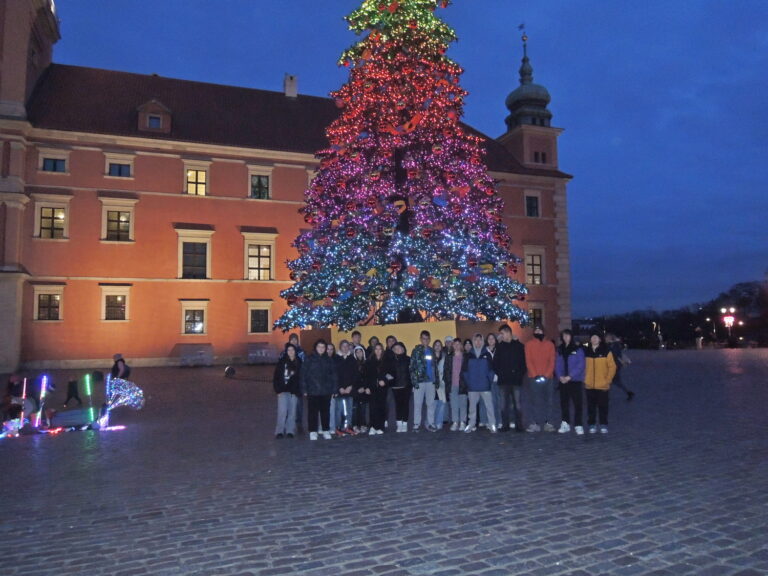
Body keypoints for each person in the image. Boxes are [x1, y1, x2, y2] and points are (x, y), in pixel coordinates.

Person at [300, 339, 337, 440]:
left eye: (323, 347)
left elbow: (333, 376)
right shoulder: (309, 359)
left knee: (325, 412)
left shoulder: (329, 360)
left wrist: (334, 389)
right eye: (319, 347)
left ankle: (326, 430)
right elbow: (303, 375)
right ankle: (313, 431)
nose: (321, 349)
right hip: (312, 390)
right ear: (315, 348)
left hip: (326, 391)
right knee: (312, 412)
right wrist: (304, 389)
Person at [493, 324, 527, 432]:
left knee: (517, 404)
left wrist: (519, 375)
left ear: (508, 333)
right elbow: (495, 363)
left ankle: (519, 425)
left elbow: (523, 363)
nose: (501, 336)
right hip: (503, 381)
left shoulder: (519, 346)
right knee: (503, 405)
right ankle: (505, 425)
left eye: (502, 333)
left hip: (516, 380)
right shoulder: (499, 346)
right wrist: (500, 373)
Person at [524, 325, 556, 432]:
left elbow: (552, 361)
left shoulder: (550, 344)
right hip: (534, 378)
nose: (538, 331)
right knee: (534, 401)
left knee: (549, 401)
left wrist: (546, 375)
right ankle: (535, 423)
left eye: (540, 330)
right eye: (536, 330)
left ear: (543, 331)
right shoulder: (529, 345)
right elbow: (528, 361)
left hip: (548, 378)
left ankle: (548, 422)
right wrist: (535, 375)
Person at [462, 333, 497, 433]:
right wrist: (469, 383)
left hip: (485, 386)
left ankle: (492, 424)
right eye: (476, 340)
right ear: (473, 341)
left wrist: (488, 381)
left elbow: (491, 370)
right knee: (472, 408)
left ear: (482, 341)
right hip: (472, 387)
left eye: (480, 340)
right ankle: (471, 424)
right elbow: (465, 371)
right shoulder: (469, 355)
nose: (478, 342)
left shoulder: (487, 354)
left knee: (489, 407)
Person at [554, 329, 586, 435]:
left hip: (575, 380)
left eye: (567, 335)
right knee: (564, 403)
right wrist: (560, 376)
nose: (565, 337)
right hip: (563, 381)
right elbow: (557, 364)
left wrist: (570, 376)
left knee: (577, 403)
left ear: (571, 336)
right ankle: (565, 423)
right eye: (564, 336)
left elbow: (580, 365)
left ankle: (578, 424)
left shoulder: (577, 349)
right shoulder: (560, 349)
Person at [584, 332, 617, 433]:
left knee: (603, 406)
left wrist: (607, 380)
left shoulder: (606, 351)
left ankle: (603, 424)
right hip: (589, 385)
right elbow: (582, 366)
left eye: (596, 337)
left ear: (600, 339)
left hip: (602, 385)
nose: (594, 339)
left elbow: (612, 367)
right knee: (591, 406)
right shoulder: (586, 351)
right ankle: (592, 424)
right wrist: (584, 378)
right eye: (592, 337)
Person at [409, 330, 437, 432]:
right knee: (418, 403)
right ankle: (416, 424)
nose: (425, 340)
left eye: (427, 338)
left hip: (430, 382)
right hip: (419, 382)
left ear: (429, 340)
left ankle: (431, 423)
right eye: (423, 338)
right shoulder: (416, 351)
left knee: (430, 404)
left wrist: (436, 380)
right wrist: (414, 381)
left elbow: (434, 367)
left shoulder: (432, 351)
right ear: (420, 339)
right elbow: (412, 367)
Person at [273, 343, 301, 438]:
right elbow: (276, 376)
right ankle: (279, 431)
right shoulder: (282, 362)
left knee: (292, 412)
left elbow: (300, 377)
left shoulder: (299, 362)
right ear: (286, 351)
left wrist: (298, 390)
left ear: (295, 351)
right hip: (282, 390)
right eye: (289, 350)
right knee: (282, 411)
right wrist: (278, 390)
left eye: (292, 350)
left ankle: (290, 430)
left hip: (294, 391)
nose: (291, 352)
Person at [364, 343, 390, 435]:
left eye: (380, 349)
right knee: (372, 408)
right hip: (372, 388)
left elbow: (391, 374)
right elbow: (365, 376)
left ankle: (380, 427)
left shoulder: (386, 361)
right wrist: (366, 387)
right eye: (376, 349)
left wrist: (385, 381)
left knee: (381, 408)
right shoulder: (369, 361)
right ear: (373, 350)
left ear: (382, 350)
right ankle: (372, 427)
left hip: (383, 388)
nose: (378, 351)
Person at [334, 340, 357, 436]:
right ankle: (338, 427)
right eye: (343, 346)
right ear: (340, 347)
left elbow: (355, 374)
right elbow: (334, 375)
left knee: (349, 409)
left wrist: (351, 386)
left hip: (349, 389)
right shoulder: (335, 359)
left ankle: (348, 427)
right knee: (339, 409)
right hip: (339, 389)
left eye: (347, 346)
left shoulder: (352, 359)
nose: (345, 348)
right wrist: (339, 388)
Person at [445, 338, 467, 430]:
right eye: (455, 344)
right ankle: (455, 422)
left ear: (461, 345)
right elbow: (446, 371)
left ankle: (462, 422)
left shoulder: (465, 357)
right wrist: (448, 383)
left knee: (463, 404)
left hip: (463, 384)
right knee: (454, 404)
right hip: (452, 384)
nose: (457, 345)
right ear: (452, 345)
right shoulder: (449, 357)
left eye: (459, 344)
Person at [605, 333, 635, 400]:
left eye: (607, 337)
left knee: (610, 380)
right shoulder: (612, 345)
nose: (605, 339)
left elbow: (615, 355)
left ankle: (606, 396)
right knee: (616, 381)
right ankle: (628, 392)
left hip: (614, 366)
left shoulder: (614, 345)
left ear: (610, 338)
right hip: (614, 365)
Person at [390, 342, 411, 432]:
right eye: (395, 348)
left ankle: (405, 424)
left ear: (403, 349)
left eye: (399, 348)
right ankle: (399, 424)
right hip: (395, 386)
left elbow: (412, 373)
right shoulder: (391, 360)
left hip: (407, 386)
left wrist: (412, 384)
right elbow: (388, 373)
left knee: (405, 405)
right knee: (398, 406)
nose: (397, 350)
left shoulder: (409, 359)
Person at [351, 345, 369, 433]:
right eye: (357, 352)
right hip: (355, 390)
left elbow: (368, 377)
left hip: (364, 389)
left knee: (363, 409)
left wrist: (364, 387)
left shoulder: (367, 363)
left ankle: (363, 424)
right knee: (355, 408)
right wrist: (356, 388)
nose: (359, 353)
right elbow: (351, 378)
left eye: (360, 351)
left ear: (363, 352)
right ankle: (355, 425)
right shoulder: (352, 364)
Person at [432, 339, 448, 429]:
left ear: (441, 347)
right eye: (436, 345)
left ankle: (439, 422)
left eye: (439, 345)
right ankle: (431, 422)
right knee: (433, 404)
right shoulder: (430, 356)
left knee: (441, 403)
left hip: (442, 384)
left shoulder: (444, 357)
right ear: (433, 346)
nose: (437, 346)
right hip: (432, 384)